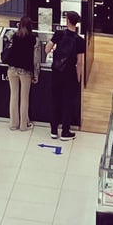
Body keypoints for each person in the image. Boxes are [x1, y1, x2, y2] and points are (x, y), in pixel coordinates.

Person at [45, 10, 85, 141]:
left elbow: (47, 49)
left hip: (56, 72)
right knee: (68, 103)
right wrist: (78, 78)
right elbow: (80, 62)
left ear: (67, 20)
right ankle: (65, 132)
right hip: (70, 74)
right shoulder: (79, 40)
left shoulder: (59, 34)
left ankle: (53, 130)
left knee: (55, 101)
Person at [4, 16, 39, 132]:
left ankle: (13, 123)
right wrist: (36, 74)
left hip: (12, 69)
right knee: (24, 98)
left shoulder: (14, 36)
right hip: (25, 71)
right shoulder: (34, 39)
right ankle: (24, 125)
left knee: (13, 96)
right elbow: (36, 59)